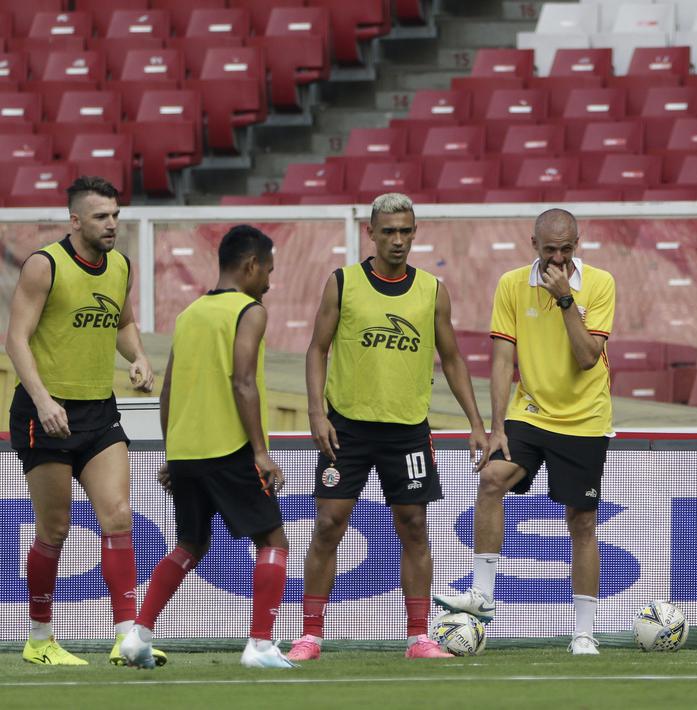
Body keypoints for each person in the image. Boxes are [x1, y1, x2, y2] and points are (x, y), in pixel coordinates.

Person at [286, 194, 489, 661]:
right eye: (389, 231)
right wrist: (316, 413)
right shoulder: (343, 283)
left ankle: (419, 636)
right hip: (347, 429)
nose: (398, 240)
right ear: (371, 234)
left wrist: (476, 422)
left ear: (414, 233)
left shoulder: (433, 290)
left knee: (414, 527)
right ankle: (311, 635)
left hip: (407, 431)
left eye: (406, 231)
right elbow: (317, 349)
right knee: (327, 526)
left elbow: (453, 359)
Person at [433, 208, 615, 655]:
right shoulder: (512, 284)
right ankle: (481, 593)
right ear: (533, 243)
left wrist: (566, 300)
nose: (558, 258)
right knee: (492, 478)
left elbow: (589, 357)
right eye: (549, 248)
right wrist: (496, 425)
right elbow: (500, 359)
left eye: (566, 248)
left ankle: (584, 632)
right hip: (530, 413)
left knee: (582, 522)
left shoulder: (600, 284)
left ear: (578, 242)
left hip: (585, 418)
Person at [120, 225, 295, 669]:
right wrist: (260, 451)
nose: (270, 282)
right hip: (230, 448)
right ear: (251, 265)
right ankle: (260, 645)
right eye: (268, 271)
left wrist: (170, 453)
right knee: (273, 538)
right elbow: (243, 381)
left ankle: (138, 636)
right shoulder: (249, 310)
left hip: (186, 453)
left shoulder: (190, 312)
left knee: (190, 544)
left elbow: (168, 391)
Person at [5, 176, 160, 666]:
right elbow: (16, 339)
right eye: (101, 216)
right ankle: (39, 638)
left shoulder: (120, 266)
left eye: (115, 215)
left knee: (118, 516)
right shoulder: (43, 266)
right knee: (55, 529)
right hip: (43, 413)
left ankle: (125, 639)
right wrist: (44, 400)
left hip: (99, 413)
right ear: (75, 221)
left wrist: (138, 357)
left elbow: (123, 321)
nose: (112, 224)